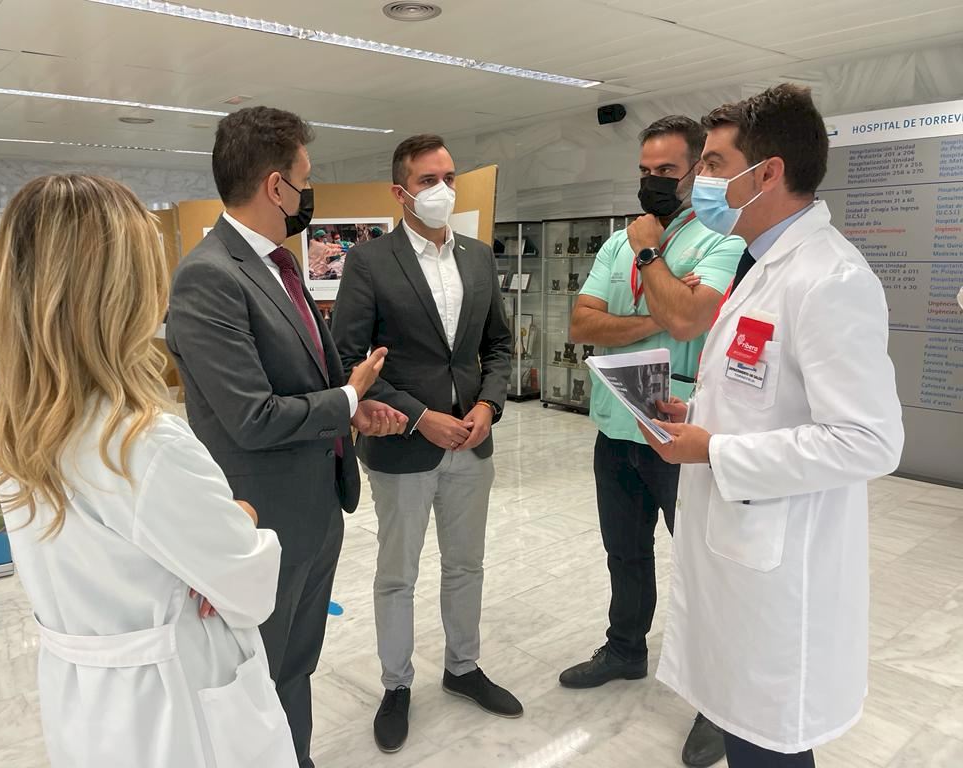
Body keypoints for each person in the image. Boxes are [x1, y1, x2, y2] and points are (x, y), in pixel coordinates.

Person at [0, 174, 297, 767]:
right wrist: (241, 518)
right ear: (122, 290)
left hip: (86, 703)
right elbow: (248, 586)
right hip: (178, 708)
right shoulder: (141, 444)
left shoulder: (11, 427)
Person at [639, 85, 904, 767]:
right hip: (736, 550)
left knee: (769, 746)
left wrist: (716, 451)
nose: (698, 181)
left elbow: (870, 441)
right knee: (742, 728)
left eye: (714, 164)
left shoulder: (830, 278)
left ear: (769, 173)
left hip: (779, 569)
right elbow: (764, 394)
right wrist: (695, 417)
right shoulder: (760, 265)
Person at [166, 107, 407, 768]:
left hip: (316, 507)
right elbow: (251, 416)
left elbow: (304, 380)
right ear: (277, 186)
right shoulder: (209, 277)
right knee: (259, 678)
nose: (309, 191)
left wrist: (350, 413)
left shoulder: (279, 265)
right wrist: (348, 397)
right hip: (263, 519)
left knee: (295, 667)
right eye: (306, 177)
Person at [561, 116, 743, 768]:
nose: (653, 182)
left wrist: (650, 257)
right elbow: (582, 323)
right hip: (616, 425)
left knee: (703, 566)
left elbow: (691, 319)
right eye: (645, 171)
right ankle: (625, 649)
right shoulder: (616, 241)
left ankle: (719, 700)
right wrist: (655, 313)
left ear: (696, 171)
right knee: (624, 552)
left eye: (667, 171)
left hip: (679, 431)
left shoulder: (723, 240)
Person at [331, 134, 518, 754]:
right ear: (400, 191)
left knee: (466, 565)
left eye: (449, 177)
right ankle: (396, 684)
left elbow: (497, 346)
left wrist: (488, 405)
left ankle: (463, 667)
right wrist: (419, 417)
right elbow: (351, 359)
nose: (442, 190)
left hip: (472, 442)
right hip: (403, 446)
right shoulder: (369, 262)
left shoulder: (478, 257)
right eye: (428, 180)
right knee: (398, 574)